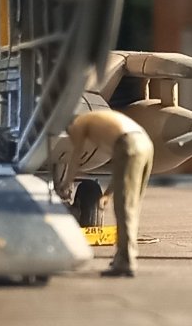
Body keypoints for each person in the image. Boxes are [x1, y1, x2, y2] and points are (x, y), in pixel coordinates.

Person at [59, 109, 154, 278]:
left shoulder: (78, 124)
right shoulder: (98, 119)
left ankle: (126, 262)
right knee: (132, 206)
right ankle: (124, 256)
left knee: (123, 209)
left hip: (129, 143)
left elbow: (75, 158)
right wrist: (108, 193)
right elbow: (120, 166)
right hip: (145, 143)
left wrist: (66, 183)